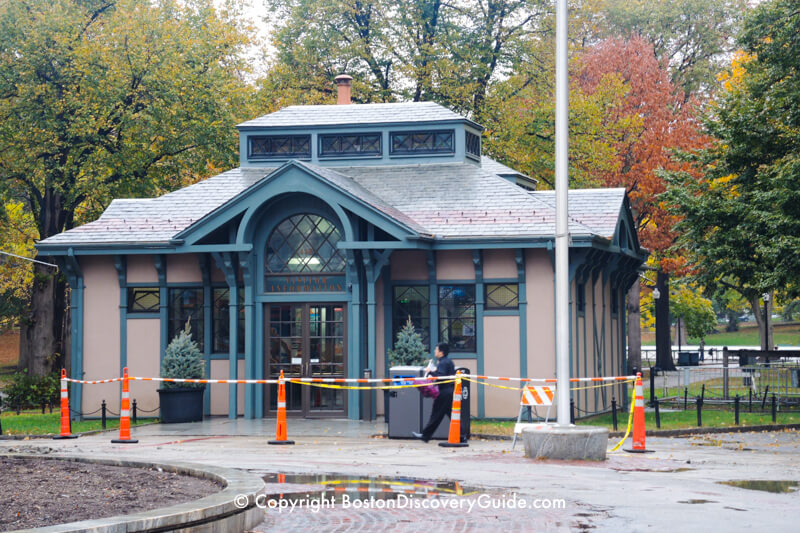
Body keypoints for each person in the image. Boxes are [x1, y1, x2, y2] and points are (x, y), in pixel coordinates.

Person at [412, 342, 456, 443]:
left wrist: (430, 372)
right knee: (452, 415)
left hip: (444, 393)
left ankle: (425, 436)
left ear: (441, 352)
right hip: (448, 392)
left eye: (436, 350)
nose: (435, 351)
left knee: (436, 415)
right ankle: (462, 434)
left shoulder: (444, 363)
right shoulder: (447, 362)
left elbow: (441, 376)